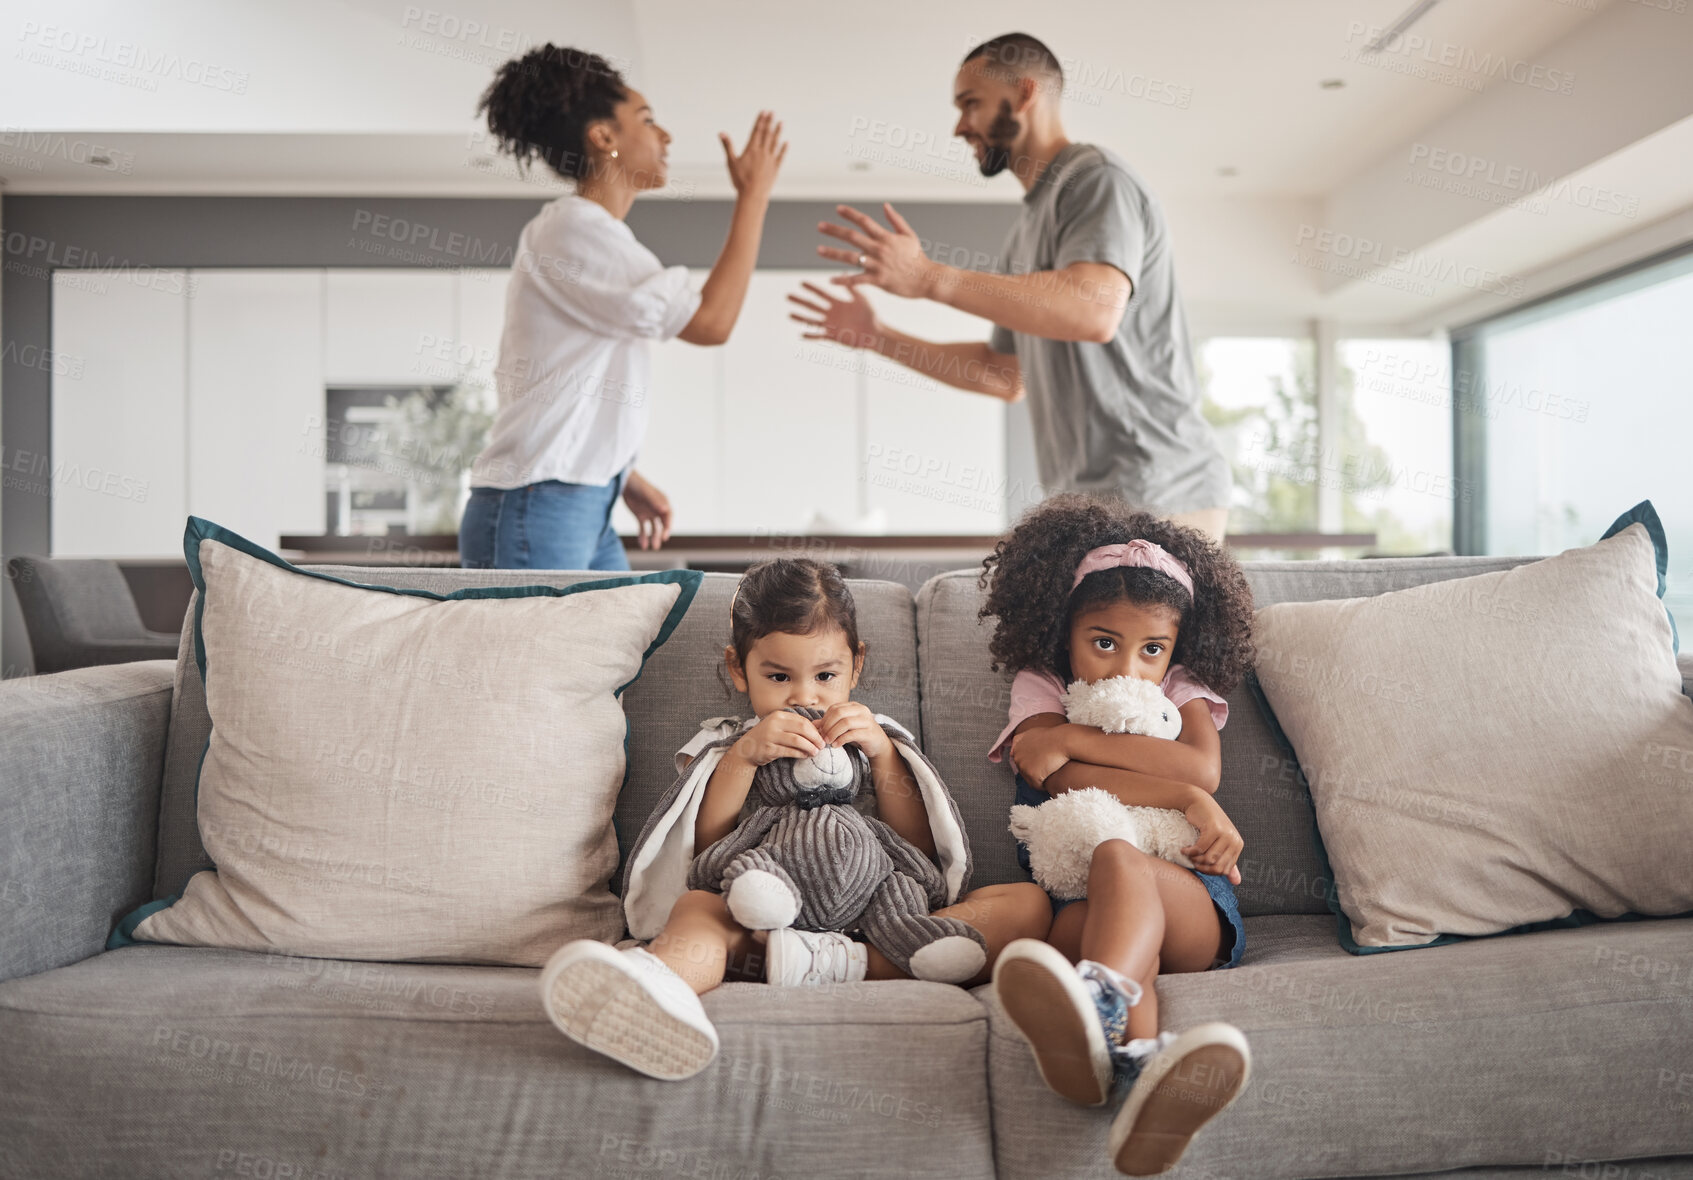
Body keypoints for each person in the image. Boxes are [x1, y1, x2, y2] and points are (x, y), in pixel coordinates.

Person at [537, 557, 1053, 1080]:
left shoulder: (877, 739)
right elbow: (705, 848)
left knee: (1025, 905)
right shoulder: (725, 741)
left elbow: (919, 852)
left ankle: (828, 963)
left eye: (826, 675)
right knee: (696, 909)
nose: (805, 696)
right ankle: (660, 989)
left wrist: (883, 755)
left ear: (857, 666)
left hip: (880, 923)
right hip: (757, 923)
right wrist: (742, 758)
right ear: (739, 668)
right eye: (779, 676)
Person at [790, 32, 1232, 545]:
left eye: (970, 104)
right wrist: (876, 336)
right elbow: (1003, 376)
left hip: (1159, 489)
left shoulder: (1096, 180)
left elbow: (1093, 310)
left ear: (1024, 93)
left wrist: (929, 277)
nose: (959, 126)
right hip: (1085, 505)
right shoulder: (1025, 228)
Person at [977, 493, 1255, 1175]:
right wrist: (1176, 791)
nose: (1128, 669)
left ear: (1174, 651)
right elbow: (1050, 770)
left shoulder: (1182, 685)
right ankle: (1135, 1070)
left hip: (1190, 903)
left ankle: (1097, 999)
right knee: (1057, 950)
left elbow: (1198, 766)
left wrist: (1189, 792)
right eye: (1103, 643)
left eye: (1150, 649)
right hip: (1085, 915)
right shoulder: (1042, 684)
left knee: (1121, 859)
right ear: (1064, 631)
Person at [460, 44, 786, 570]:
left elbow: (563, 379)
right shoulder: (572, 229)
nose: (666, 136)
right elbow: (710, 323)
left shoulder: (594, 238)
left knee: (617, 652)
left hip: (577, 500)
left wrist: (620, 474)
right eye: (648, 120)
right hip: (537, 505)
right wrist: (753, 195)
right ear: (604, 136)